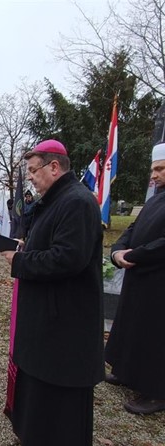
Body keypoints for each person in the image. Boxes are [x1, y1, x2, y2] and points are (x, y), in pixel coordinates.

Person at [1, 140, 104, 446]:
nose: (30, 178)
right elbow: (52, 244)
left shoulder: (76, 201)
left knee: (57, 384)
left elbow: (68, 258)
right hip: (50, 311)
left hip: (66, 317)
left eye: (34, 170)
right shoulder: (58, 200)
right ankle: (38, 439)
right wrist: (26, 247)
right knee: (43, 378)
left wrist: (21, 261)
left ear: (54, 167)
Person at [104, 142, 165, 415]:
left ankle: (156, 391)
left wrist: (136, 254)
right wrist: (118, 251)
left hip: (159, 279)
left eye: (160, 169)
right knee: (132, 326)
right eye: (153, 169)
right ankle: (127, 371)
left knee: (155, 335)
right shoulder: (155, 200)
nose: (154, 175)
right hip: (139, 275)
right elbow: (133, 227)